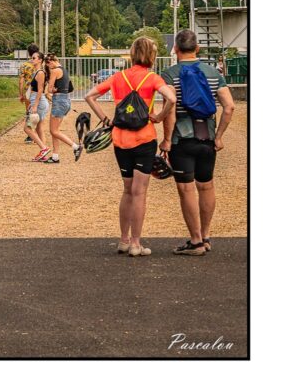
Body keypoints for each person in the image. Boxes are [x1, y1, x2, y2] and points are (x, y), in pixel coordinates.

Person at [84, 36, 175, 257]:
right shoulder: (152, 78)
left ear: (133, 53)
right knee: (139, 192)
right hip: (144, 138)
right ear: (151, 55)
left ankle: (123, 240)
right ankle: (136, 243)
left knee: (127, 190)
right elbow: (171, 98)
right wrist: (159, 117)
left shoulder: (118, 77)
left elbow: (90, 96)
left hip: (120, 138)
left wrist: (106, 120)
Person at [160, 29, 235, 256]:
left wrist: (165, 140)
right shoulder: (214, 73)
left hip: (181, 138)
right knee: (206, 185)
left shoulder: (169, 74)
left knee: (186, 188)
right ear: (197, 48)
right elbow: (229, 106)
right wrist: (219, 135)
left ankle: (195, 242)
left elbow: (170, 110)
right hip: (208, 136)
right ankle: (206, 235)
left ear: (175, 49)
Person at [43, 53, 82, 163]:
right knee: (55, 130)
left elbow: (50, 89)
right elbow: (69, 87)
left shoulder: (55, 71)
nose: (48, 67)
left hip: (59, 100)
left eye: (47, 65)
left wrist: (52, 90)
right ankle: (55, 157)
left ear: (50, 62)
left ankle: (75, 147)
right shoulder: (64, 70)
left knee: (53, 131)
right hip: (66, 100)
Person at [25, 51, 51, 161]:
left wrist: (35, 105)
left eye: (34, 58)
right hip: (38, 101)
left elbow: (40, 90)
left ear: (40, 60)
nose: (32, 59)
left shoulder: (40, 73)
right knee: (39, 127)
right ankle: (43, 154)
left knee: (27, 128)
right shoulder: (37, 72)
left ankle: (43, 148)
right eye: (32, 57)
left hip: (39, 102)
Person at [19, 44, 40, 143]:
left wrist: (21, 94)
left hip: (28, 91)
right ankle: (39, 134)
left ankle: (31, 135)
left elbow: (21, 81)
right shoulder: (41, 63)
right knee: (39, 113)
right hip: (40, 91)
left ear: (28, 52)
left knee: (29, 113)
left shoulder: (24, 65)